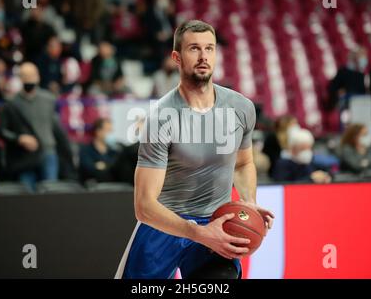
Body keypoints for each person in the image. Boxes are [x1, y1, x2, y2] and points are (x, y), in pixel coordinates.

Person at [115, 20, 274, 279]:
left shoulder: (240, 108)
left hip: (216, 220)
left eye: (209, 49)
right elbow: (144, 206)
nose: (203, 57)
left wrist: (249, 202)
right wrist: (198, 232)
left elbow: (243, 164)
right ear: (177, 57)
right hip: (164, 226)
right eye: (194, 49)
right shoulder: (161, 118)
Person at [0, 62, 70, 191]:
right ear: (20, 78)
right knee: (27, 194)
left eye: (32, 75)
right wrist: (19, 138)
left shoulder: (49, 99)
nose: (29, 78)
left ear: (38, 76)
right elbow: (2, 130)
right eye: (25, 75)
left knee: (50, 191)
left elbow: (56, 126)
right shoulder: (11, 103)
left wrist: (67, 150)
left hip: (48, 151)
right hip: (24, 156)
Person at [79, 117, 120, 184]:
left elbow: (116, 168)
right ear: (98, 131)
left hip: (111, 185)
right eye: (108, 130)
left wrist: (103, 165)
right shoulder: (85, 150)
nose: (111, 134)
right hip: (91, 188)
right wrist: (107, 166)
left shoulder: (115, 151)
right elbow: (89, 169)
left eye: (112, 131)